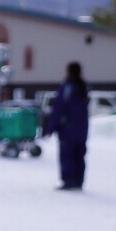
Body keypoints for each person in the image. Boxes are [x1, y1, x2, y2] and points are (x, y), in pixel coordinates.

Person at [44, 61, 89, 190]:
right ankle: (78, 180)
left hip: (67, 128)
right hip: (82, 129)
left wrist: (51, 127)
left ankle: (69, 181)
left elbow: (59, 108)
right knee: (79, 155)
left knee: (67, 155)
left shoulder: (68, 86)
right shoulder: (83, 86)